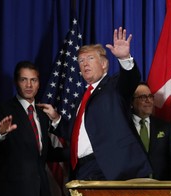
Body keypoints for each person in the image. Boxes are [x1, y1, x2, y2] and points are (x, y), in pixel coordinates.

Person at [40, 27, 152, 180]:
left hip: (109, 167)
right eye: (81, 60)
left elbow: (130, 79)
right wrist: (56, 118)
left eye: (90, 58)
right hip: (81, 169)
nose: (85, 63)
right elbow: (76, 134)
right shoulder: (80, 99)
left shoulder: (113, 86)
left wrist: (125, 59)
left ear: (104, 64)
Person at [0, 61, 67, 196]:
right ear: (17, 82)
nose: (29, 85)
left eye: (33, 80)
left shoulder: (43, 114)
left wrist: (76, 152)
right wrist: (0, 132)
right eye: (24, 80)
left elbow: (44, 153)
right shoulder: (5, 109)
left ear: (38, 83)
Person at [131, 82, 171, 180]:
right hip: (131, 188)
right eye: (142, 97)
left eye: (150, 96)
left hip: (160, 189)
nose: (148, 100)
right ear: (131, 102)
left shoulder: (165, 128)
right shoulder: (124, 127)